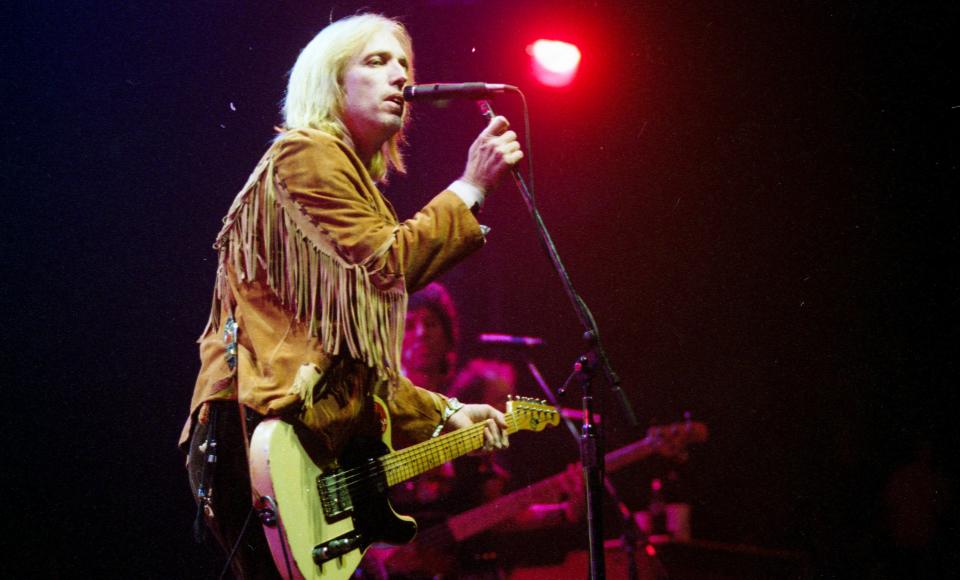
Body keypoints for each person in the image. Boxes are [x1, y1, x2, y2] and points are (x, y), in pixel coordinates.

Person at [179, 13, 523, 578]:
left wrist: (447, 412)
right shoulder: (306, 153)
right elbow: (388, 267)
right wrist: (472, 186)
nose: (399, 77)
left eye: (404, 64)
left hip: (302, 446)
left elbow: (360, 370)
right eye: (376, 61)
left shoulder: (356, 190)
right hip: (258, 437)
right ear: (332, 81)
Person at [363, 283, 584, 578]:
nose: (421, 333)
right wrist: (374, 554)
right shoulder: (374, 414)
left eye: (430, 324)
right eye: (408, 325)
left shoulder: (464, 416)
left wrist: (566, 509)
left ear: (448, 337)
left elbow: (493, 513)